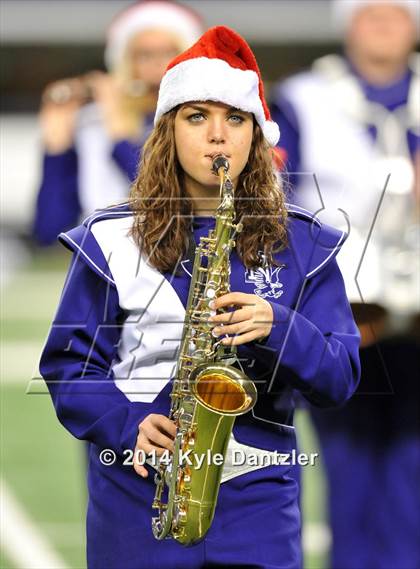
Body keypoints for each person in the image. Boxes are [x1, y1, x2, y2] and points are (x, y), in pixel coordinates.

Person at [39, 26, 361, 569]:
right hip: (137, 504)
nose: (218, 136)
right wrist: (125, 422)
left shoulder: (305, 242)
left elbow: (341, 377)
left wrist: (279, 327)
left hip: (259, 509)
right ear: (167, 132)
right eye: (197, 117)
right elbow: (68, 367)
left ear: (257, 136)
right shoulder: (109, 238)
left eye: (235, 118)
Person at [270, 1, 420, 568]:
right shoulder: (304, 96)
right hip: (343, 306)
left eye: (397, 12)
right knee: (349, 461)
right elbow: (278, 195)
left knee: (414, 468)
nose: (384, 23)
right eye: (370, 11)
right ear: (346, 23)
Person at [33, 0, 204, 245]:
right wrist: (56, 149)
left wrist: (120, 136)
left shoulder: (203, 121)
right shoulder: (94, 125)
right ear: (125, 64)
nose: (157, 65)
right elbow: (49, 230)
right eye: (144, 55)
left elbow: (167, 200)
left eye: (169, 52)